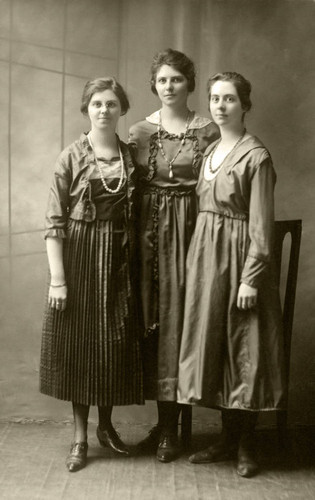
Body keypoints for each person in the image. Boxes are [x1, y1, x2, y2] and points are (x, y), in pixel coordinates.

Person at [177, 72, 286, 477]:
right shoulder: (210, 153)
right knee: (217, 345)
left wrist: (250, 278)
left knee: (246, 348)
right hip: (208, 260)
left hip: (240, 259)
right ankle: (224, 438)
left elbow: (261, 225)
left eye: (229, 99)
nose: (220, 106)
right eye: (215, 99)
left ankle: (246, 444)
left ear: (245, 105)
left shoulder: (256, 156)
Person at [40, 77, 143, 472]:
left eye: (112, 104)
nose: (104, 110)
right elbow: (53, 222)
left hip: (118, 259)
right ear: (87, 109)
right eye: (97, 104)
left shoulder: (130, 156)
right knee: (82, 348)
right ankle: (80, 437)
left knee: (113, 343)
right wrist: (58, 279)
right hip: (80, 257)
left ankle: (107, 427)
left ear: (122, 109)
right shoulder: (70, 156)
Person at [128, 48, 220, 463]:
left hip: (193, 229)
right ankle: (164, 425)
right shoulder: (138, 132)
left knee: (184, 322)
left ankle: (173, 428)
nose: (169, 87)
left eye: (176, 79)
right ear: (154, 85)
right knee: (156, 321)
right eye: (162, 80)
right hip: (148, 234)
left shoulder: (209, 131)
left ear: (189, 83)